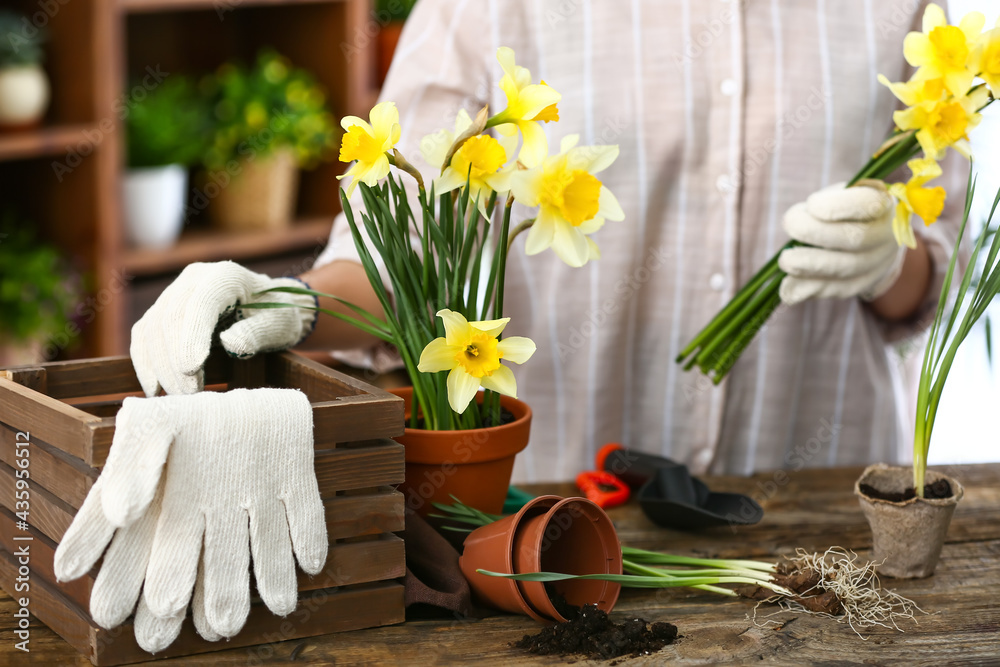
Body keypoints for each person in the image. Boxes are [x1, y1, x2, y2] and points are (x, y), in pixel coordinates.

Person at [133, 0, 968, 483]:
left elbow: (938, 276)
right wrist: (287, 304)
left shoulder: (901, 11)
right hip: (563, 532)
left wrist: (892, 261)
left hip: (830, 516)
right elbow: (399, 262)